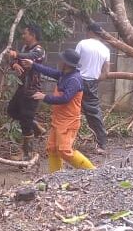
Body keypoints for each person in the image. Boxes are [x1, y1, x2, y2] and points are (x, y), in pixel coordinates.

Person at [21, 49, 95, 173]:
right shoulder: (64, 74)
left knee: (64, 151)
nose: (59, 61)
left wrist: (44, 97)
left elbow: (65, 99)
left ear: (67, 63)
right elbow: (49, 72)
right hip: (58, 120)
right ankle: (55, 176)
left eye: (62, 60)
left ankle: (93, 171)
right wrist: (33, 65)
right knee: (52, 148)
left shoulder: (74, 80)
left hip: (69, 121)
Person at [6, 23, 46, 160]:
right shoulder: (24, 48)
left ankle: (27, 154)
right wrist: (14, 64)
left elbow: (30, 56)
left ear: (32, 35)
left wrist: (16, 54)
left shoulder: (39, 50)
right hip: (22, 87)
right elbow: (13, 60)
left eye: (25, 34)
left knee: (25, 122)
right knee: (11, 110)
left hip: (32, 90)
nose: (23, 36)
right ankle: (35, 125)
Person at [75, 22, 111, 154]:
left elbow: (73, 61)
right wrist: (95, 79)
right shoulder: (105, 49)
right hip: (92, 83)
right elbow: (106, 73)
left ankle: (66, 142)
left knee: (70, 109)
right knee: (94, 113)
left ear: (89, 31)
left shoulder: (82, 43)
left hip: (77, 80)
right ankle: (102, 144)